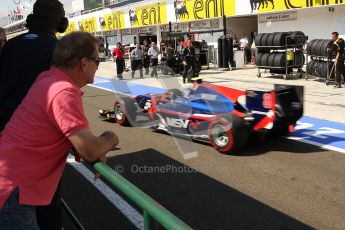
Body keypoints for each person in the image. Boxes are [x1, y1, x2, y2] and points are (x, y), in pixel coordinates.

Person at [0, 31, 119, 230]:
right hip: (13, 191)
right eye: (97, 61)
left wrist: (93, 148)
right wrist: (111, 137)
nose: (97, 66)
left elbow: (67, 136)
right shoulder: (63, 91)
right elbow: (89, 150)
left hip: (11, 183)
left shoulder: (48, 79)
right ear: (83, 63)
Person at [0, 0, 69, 229]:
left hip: (7, 141)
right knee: (47, 206)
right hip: (41, 147)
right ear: (60, 23)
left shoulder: (10, 46)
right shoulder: (59, 51)